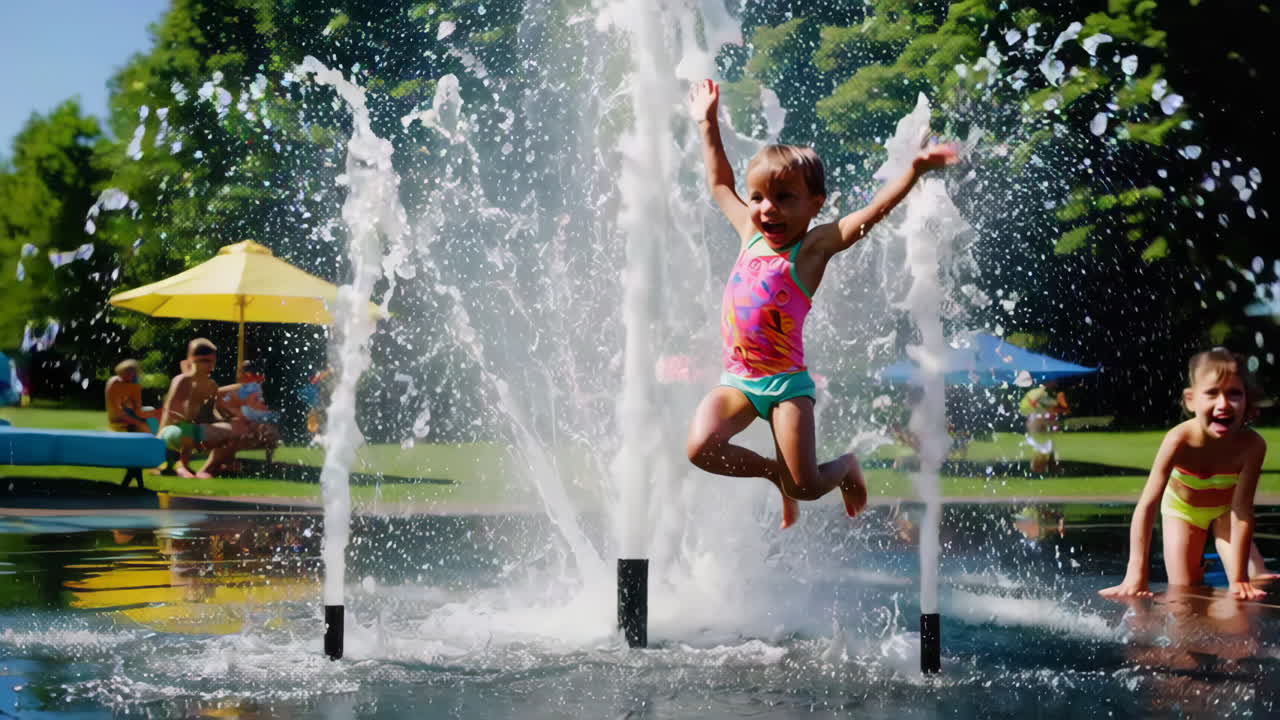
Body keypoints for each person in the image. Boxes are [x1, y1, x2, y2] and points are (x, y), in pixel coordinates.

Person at [683, 78, 958, 528]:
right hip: (738, 380)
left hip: (786, 387)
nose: (767, 209)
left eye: (784, 199)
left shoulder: (810, 250)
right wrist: (706, 122)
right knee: (701, 449)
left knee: (807, 487)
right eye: (758, 198)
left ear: (815, 205)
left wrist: (913, 171)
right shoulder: (750, 236)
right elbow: (718, 183)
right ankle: (774, 473)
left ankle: (845, 467)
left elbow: (869, 216)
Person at [1100, 348, 1272, 601]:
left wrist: (1239, 580)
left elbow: (1242, 510)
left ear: (1247, 399)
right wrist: (1136, 572)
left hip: (1226, 511)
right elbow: (1148, 504)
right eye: (1212, 393)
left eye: (1234, 393)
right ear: (1191, 399)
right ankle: (1241, 565)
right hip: (1183, 513)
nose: (1223, 404)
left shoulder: (1252, 446)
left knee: (1248, 581)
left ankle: (1254, 567)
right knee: (1185, 590)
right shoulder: (1179, 440)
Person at [157, 339, 237, 478]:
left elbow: (211, 413)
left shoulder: (211, 384)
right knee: (189, 427)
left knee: (232, 431)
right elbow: (170, 412)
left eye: (212, 361)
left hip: (194, 428)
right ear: (192, 360)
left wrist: (227, 421)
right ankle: (182, 465)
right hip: (172, 430)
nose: (210, 365)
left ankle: (212, 467)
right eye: (205, 361)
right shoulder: (183, 380)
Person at [219, 359, 281, 466]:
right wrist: (229, 416)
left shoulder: (255, 387)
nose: (253, 373)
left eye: (253, 370)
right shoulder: (238, 389)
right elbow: (221, 400)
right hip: (240, 421)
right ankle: (228, 460)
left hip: (252, 420)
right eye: (248, 370)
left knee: (270, 431)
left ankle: (269, 460)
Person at [105, 359, 159, 433]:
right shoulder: (114, 383)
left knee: (150, 410)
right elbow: (117, 413)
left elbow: (138, 409)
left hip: (130, 414)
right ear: (121, 372)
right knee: (143, 426)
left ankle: (156, 437)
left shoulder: (135, 385)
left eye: (133, 373)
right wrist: (139, 423)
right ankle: (151, 436)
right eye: (127, 372)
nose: (131, 376)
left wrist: (156, 414)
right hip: (117, 419)